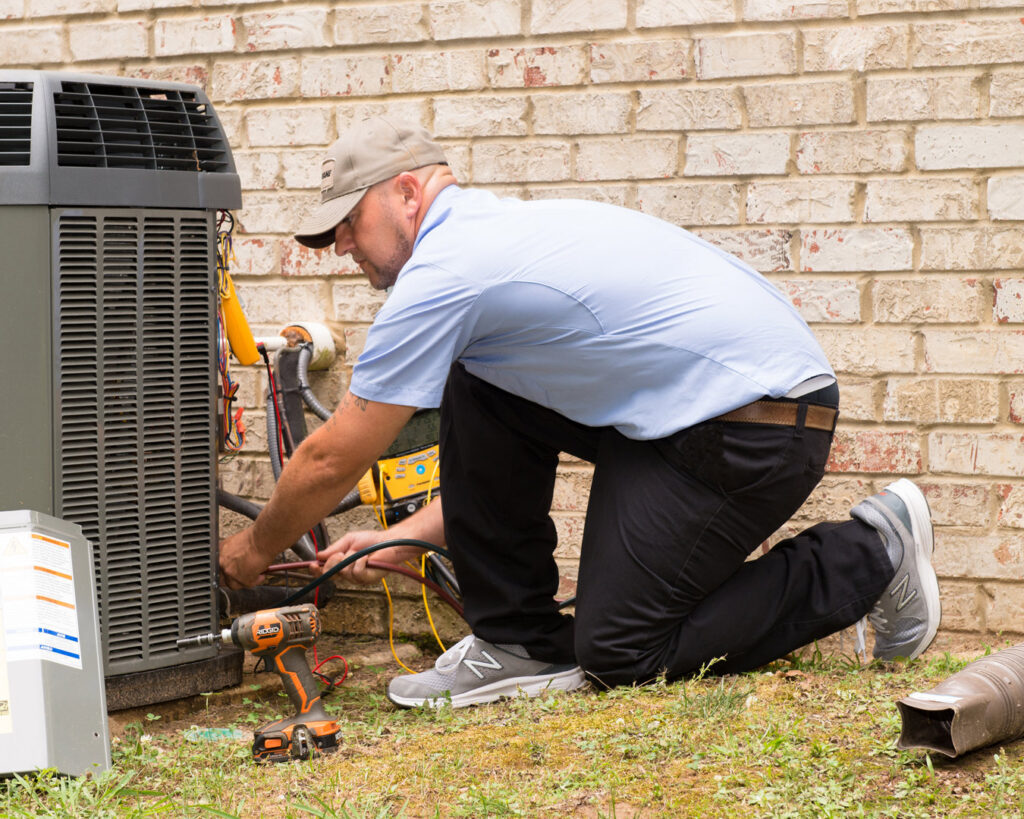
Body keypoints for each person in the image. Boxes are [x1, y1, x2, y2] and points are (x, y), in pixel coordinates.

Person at [218, 116, 941, 708]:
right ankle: (519, 642)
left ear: (408, 191)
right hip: (691, 422)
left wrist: (251, 554)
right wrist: (404, 536)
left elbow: (331, 456)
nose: (341, 243)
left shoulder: (448, 271)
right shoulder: (492, 246)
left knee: (622, 651)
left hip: (757, 426)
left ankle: (870, 554)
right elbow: (495, 457)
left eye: (349, 220)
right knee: (478, 380)